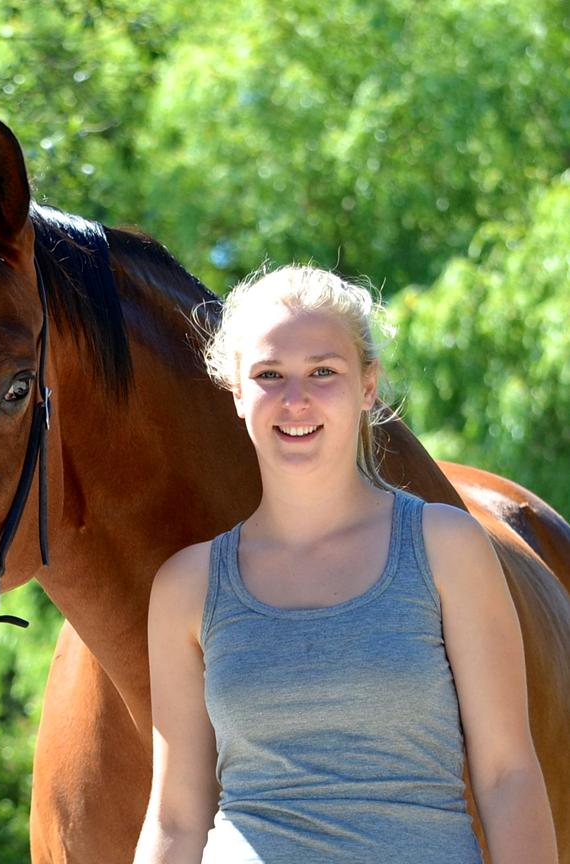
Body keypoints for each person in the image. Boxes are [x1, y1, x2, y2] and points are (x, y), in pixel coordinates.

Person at [133, 265, 556, 864]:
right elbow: (174, 818)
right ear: (236, 393)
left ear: (367, 386)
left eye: (323, 372)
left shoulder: (443, 546)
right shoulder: (187, 585)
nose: (295, 398)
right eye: (269, 375)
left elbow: (508, 776)